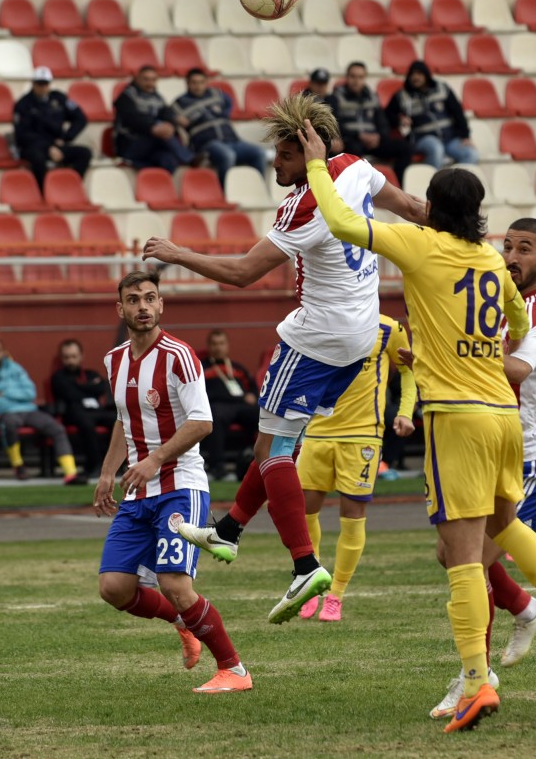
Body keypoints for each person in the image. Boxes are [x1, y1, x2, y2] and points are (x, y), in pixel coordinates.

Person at [304, 124, 536, 732]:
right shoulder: (493, 262)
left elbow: (339, 224)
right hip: (504, 414)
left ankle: (475, 680)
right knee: (503, 524)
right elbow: (518, 322)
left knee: (462, 556)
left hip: (456, 416)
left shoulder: (420, 245)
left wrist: (317, 166)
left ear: (433, 208)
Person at [142, 93, 428, 624]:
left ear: (308, 148)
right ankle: (227, 532)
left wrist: (177, 254)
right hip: (363, 334)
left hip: (315, 338)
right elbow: (414, 209)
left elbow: (243, 274)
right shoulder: (356, 167)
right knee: (277, 440)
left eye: (284, 154)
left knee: (272, 447)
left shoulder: (304, 207)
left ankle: (304, 564)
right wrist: (464, 237)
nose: (275, 162)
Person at [430, 218, 536, 717]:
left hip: (533, 457)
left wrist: (448, 352)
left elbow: (516, 369)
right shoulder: (494, 294)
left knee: (470, 561)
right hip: (495, 446)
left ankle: (475, 677)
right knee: (453, 555)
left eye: (524, 249)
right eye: (506, 245)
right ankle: (529, 609)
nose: (511, 255)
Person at [95, 270, 251, 693]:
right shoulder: (114, 361)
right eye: (133, 299)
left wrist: (153, 460)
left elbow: (203, 422)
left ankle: (234, 670)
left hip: (181, 485)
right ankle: (183, 624)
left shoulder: (179, 355)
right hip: (138, 492)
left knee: (175, 584)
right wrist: (109, 471)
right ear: (120, 308)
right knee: (114, 587)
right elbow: (123, 421)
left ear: (161, 305)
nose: (142, 306)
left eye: (150, 298)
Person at [297, 314, 416, 623]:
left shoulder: (389, 328)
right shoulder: (319, 319)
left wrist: (404, 412)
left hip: (363, 435)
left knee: (352, 515)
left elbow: (408, 371)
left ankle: (336, 595)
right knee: (304, 511)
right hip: (318, 432)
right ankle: (312, 584)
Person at [0, 337, 81, 484]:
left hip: (29, 409)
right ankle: (18, 465)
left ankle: (70, 473)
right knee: (9, 424)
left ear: (4, 352)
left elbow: (30, 392)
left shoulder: (15, 368)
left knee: (56, 428)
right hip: (5, 412)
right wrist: (14, 393)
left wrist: (5, 392)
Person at [172, 68, 265, 185]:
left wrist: (224, 114)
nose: (198, 86)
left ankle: (258, 188)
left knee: (259, 153)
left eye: (201, 82)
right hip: (208, 144)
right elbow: (169, 118)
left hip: (232, 140)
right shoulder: (179, 103)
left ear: (206, 83)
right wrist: (176, 120)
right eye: (194, 82)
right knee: (227, 155)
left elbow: (229, 102)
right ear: (187, 83)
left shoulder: (216, 94)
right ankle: (225, 191)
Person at [385, 60, 477, 170]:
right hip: (422, 139)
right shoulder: (402, 95)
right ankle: (435, 185)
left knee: (471, 154)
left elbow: (458, 112)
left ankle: (460, 186)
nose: (415, 77)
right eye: (412, 74)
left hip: (449, 138)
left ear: (426, 75)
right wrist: (399, 119)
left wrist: (465, 136)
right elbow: (387, 115)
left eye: (419, 74)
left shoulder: (442, 88)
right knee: (436, 148)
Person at [328, 62, 413, 182]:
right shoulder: (335, 97)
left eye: (360, 77)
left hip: (373, 142)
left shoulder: (372, 97)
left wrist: (378, 136)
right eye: (353, 76)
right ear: (347, 77)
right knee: (353, 150)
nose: (356, 81)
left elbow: (383, 122)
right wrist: (359, 135)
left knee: (405, 147)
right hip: (351, 140)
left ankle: (398, 185)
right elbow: (334, 123)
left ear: (365, 78)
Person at [50, 339, 118, 485]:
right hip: (74, 413)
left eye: (74, 356)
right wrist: (88, 387)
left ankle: (118, 464)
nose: (70, 360)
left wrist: (78, 387)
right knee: (86, 424)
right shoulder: (58, 377)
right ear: (62, 358)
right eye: (67, 357)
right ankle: (95, 465)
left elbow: (102, 388)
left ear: (81, 356)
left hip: (97, 411)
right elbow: (69, 394)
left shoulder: (90, 373)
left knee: (118, 421)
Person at [13, 66, 91, 185]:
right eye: (39, 83)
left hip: (56, 143)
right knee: (37, 158)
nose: (43, 87)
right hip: (35, 146)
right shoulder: (23, 104)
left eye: (46, 84)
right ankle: (44, 191)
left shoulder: (59, 98)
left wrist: (66, 138)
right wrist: (48, 147)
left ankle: (72, 185)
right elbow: (22, 135)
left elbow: (80, 118)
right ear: (33, 83)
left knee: (84, 153)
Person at [199, 329, 260, 480]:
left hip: (242, 406)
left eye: (221, 343)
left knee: (262, 415)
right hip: (218, 406)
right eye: (214, 344)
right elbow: (204, 393)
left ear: (227, 346)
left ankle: (261, 462)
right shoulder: (202, 368)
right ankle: (218, 469)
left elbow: (253, 388)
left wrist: (252, 395)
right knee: (215, 416)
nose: (218, 347)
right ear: (209, 346)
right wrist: (239, 398)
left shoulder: (237, 368)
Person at [113, 65, 192, 173]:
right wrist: (153, 128)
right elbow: (132, 120)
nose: (150, 83)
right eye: (146, 79)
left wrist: (171, 124)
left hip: (153, 147)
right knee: (159, 130)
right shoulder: (126, 97)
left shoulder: (157, 98)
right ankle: (189, 158)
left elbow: (167, 114)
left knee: (169, 161)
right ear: (137, 79)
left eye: (153, 80)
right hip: (130, 144)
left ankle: (163, 188)